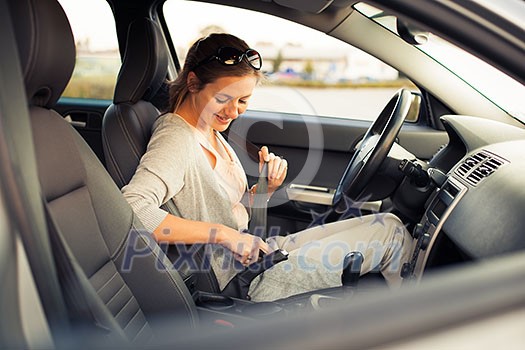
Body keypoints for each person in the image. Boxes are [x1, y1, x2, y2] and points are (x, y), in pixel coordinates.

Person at [122, 33, 414, 302]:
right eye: (223, 99)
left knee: (389, 224)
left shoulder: (209, 131)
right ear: (194, 83)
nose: (233, 111)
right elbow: (133, 209)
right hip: (244, 279)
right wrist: (224, 234)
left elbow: (228, 209)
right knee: (391, 237)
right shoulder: (176, 138)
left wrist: (265, 187)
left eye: (243, 101)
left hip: (258, 253)